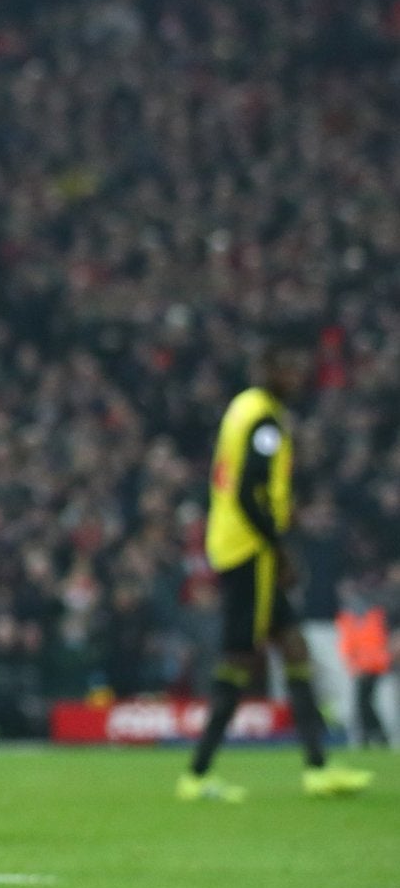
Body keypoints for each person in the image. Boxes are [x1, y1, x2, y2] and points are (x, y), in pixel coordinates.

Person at [180, 339, 371, 802]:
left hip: (238, 546)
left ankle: (317, 767)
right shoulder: (264, 420)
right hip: (249, 553)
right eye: (288, 368)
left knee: (294, 646)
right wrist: (279, 548)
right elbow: (248, 492)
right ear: (267, 369)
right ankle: (198, 773)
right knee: (240, 658)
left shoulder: (244, 408)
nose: (297, 378)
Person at [335, 584, 391, 748]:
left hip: (372, 667)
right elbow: (348, 647)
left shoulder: (372, 618)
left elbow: (373, 644)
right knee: (364, 703)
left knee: (364, 703)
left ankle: (374, 735)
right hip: (362, 668)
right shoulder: (352, 620)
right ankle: (372, 735)